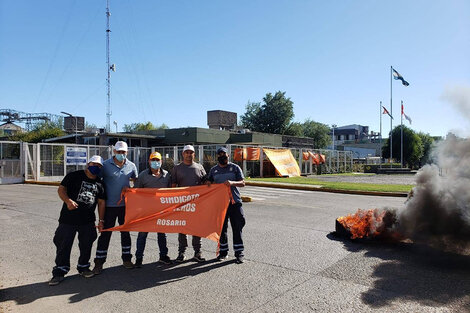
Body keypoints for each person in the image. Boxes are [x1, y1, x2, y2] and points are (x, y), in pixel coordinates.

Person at [49, 155, 106, 286]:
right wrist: (68, 201)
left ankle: (84, 267)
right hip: (68, 219)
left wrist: (101, 220)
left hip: (87, 221)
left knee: (86, 244)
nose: (95, 167)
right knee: (63, 244)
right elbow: (61, 189)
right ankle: (59, 271)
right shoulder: (74, 176)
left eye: (99, 166)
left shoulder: (100, 183)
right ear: (88, 164)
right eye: (94, 164)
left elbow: (101, 202)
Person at [93, 141, 138, 274]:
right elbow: (97, 181)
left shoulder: (131, 166)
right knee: (105, 234)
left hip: (125, 206)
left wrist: (131, 190)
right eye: (118, 152)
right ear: (114, 152)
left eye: (123, 152)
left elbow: (136, 183)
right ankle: (99, 262)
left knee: (125, 233)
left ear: (127, 152)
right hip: (109, 206)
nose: (121, 154)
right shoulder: (105, 165)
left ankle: (127, 259)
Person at [207, 147, 246, 264]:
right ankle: (223, 252)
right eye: (219, 154)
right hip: (220, 205)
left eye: (224, 154)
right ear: (217, 156)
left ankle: (239, 253)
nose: (222, 156)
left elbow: (243, 183)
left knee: (237, 227)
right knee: (222, 229)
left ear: (228, 155)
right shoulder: (213, 170)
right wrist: (207, 184)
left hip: (234, 202)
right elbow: (209, 183)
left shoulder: (235, 168)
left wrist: (232, 183)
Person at [134, 151, 172, 267]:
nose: (155, 162)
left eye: (157, 160)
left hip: (161, 211)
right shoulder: (143, 175)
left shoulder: (167, 175)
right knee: (142, 235)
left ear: (161, 161)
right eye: (153, 160)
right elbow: (136, 192)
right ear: (149, 161)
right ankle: (139, 258)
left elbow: (171, 192)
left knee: (162, 234)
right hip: (146, 211)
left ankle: (163, 256)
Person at [171, 144, 207, 262]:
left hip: (197, 204)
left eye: (191, 152)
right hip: (182, 204)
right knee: (182, 229)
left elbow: (206, 184)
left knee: (197, 228)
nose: (188, 154)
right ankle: (181, 252)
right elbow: (173, 186)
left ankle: (198, 252)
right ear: (183, 154)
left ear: (194, 154)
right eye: (186, 152)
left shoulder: (199, 167)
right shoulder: (177, 168)